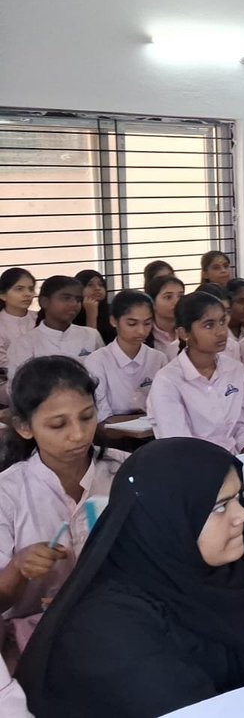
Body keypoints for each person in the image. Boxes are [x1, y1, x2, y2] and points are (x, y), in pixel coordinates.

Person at [15, 438, 244, 717]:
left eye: (238, 498)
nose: (243, 515)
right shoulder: (106, 626)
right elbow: (195, 712)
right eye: (220, 507)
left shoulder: (204, 580)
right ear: (167, 521)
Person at [0, 357, 127, 652]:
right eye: (58, 425)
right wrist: (18, 567)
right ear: (24, 427)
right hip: (36, 634)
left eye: (87, 416)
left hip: (119, 617)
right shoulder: (8, 493)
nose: (78, 434)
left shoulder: (125, 471)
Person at [146, 291, 244, 454]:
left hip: (238, 460)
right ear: (184, 333)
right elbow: (179, 443)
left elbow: (242, 424)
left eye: (222, 322)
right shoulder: (167, 381)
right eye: (209, 325)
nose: (221, 332)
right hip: (195, 464)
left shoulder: (235, 369)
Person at [84, 290, 169, 422]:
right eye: (132, 324)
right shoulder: (97, 361)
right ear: (113, 321)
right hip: (113, 432)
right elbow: (102, 416)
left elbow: (166, 406)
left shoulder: (158, 359)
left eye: (147, 323)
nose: (141, 331)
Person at [6, 276, 102, 382]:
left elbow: (103, 375)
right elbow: (17, 386)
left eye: (78, 300)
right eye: (66, 298)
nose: (74, 304)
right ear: (44, 302)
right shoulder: (24, 344)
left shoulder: (91, 335)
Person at [0, 268, 36, 408]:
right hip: (7, 384)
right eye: (19, 289)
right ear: (3, 295)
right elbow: (3, 365)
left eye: (31, 289)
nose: (27, 294)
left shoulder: (40, 319)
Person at [145, 273, 186, 352]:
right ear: (152, 302)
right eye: (168, 297)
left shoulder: (190, 331)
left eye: (180, 296)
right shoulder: (144, 334)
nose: (176, 302)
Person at [72, 270, 114, 345]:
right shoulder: (72, 313)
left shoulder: (113, 310)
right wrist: (91, 316)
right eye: (90, 285)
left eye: (101, 284)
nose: (97, 288)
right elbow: (88, 347)